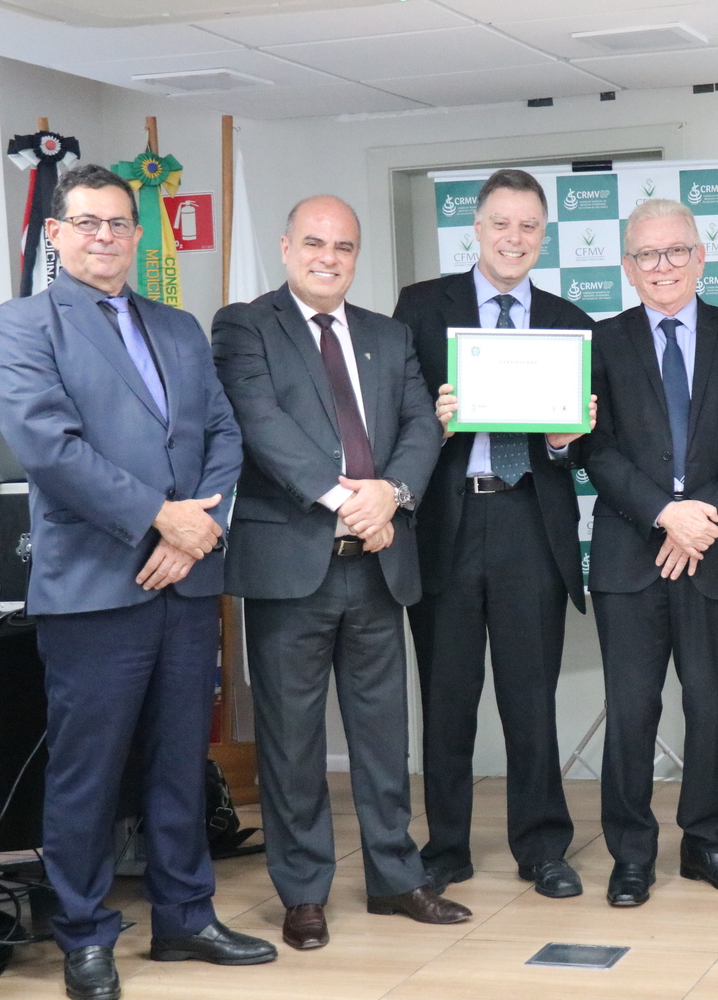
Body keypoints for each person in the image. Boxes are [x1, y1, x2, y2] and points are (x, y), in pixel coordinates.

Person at [0, 164, 274, 1000]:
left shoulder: (177, 326)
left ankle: (185, 917)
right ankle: (84, 933)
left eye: (119, 223)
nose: (105, 236)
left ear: (138, 235)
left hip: (185, 583)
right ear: (56, 234)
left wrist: (194, 533)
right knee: (90, 773)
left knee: (180, 761)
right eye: (88, 223)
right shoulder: (22, 325)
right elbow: (49, 448)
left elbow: (223, 433)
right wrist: (159, 517)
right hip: (95, 590)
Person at [211, 195, 466, 951]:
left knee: (385, 737)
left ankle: (395, 878)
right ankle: (303, 892)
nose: (329, 257)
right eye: (315, 243)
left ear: (357, 256)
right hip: (292, 564)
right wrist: (349, 502)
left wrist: (393, 494)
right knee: (292, 742)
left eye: (344, 246)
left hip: (379, 563)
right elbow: (262, 426)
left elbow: (423, 425)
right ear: (286, 247)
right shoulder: (245, 326)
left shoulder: (389, 335)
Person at [393, 169, 596, 899]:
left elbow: (584, 449)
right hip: (447, 521)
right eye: (501, 224)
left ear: (545, 236)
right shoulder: (422, 307)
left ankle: (542, 847)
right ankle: (446, 846)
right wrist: (433, 422)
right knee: (446, 698)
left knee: (530, 696)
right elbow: (392, 417)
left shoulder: (570, 320)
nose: (515, 238)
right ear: (475, 229)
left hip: (529, 521)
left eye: (529, 226)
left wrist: (567, 440)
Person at [583, 198, 718, 907]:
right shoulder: (602, 342)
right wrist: (665, 514)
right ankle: (631, 855)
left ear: (700, 258)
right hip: (628, 553)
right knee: (631, 710)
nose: (661, 266)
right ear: (627, 267)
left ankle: (706, 845)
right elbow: (594, 448)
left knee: (711, 704)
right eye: (646, 254)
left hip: (714, 550)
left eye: (674, 251)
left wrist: (701, 518)